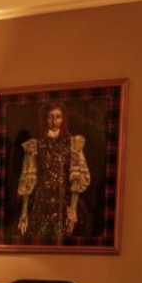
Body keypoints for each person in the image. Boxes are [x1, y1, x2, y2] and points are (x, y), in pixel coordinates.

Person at [16, 102, 90, 240]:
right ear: (45, 119)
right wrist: (24, 213)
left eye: (58, 117)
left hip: (65, 203)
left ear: (63, 119)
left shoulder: (73, 144)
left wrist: (73, 211)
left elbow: (77, 178)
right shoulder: (35, 145)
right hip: (41, 202)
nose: (54, 121)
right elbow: (28, 180)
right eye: (50, 117)